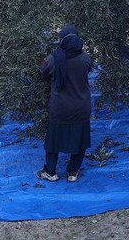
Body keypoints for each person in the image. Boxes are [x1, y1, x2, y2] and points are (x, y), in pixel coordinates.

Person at [37, 26, 93, 182]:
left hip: (60, 108)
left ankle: (50, 172)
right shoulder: (86, 59)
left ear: (62, 41)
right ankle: (73, 172)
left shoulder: (53, 59)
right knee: (79, 141)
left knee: (53, 142)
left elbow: (43, 73)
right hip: (81, 106)